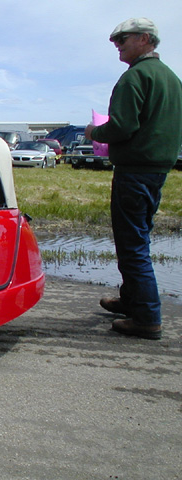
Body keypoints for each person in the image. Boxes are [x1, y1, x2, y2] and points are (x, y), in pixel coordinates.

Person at [84, 18, 182, 340]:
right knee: (139, 237)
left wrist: (94, 132)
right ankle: (132, 299)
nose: (118, 45)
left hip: (135, 172)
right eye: (115, 41)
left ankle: (146, 317)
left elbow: (122, 127)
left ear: (145, 39)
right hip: (157, 171)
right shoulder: (171, 78)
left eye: (122, 39)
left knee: (132, 244)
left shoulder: (135, 78)